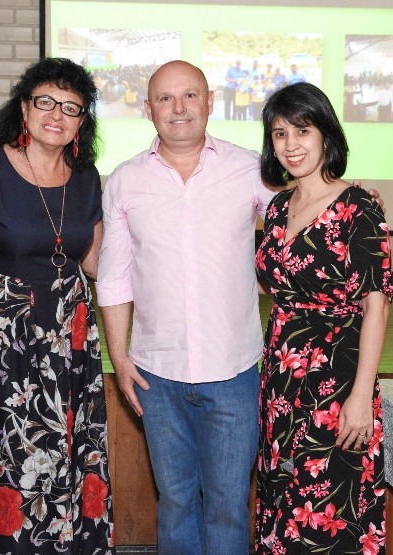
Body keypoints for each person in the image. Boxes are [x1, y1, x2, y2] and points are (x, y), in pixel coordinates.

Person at [96, 59, 277, 555]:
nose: (179, 108)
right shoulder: (126, 181)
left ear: (210, 103)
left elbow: (300, 216)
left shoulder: (249, 170)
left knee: (228, 504)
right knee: (175, 502)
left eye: (190, 95)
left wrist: (348, 199)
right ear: (148, 109)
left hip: (234, 371)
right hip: (157, 375)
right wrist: (119, 358)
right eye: (166, 98)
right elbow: (113, 277)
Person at [0, 58, 114, 554]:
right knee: (2, 448)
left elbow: (94, 263)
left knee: (68, 445)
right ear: (24, 108)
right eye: (45, 102)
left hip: (70, 336)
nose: (57, 115)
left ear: (82, 122)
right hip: (2, 339)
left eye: (71, 107)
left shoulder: (87, 179)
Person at [253, 82, 393, 553]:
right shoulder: (277, 208)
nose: (290, 144)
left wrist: (361, 396)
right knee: (282, 503)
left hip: (336, 380)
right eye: (279, 134)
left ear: (326, 134)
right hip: (281, 378)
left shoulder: (359, 207)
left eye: (302, 130)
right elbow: (275, 283)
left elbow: (377, 304)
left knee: (327, 511)